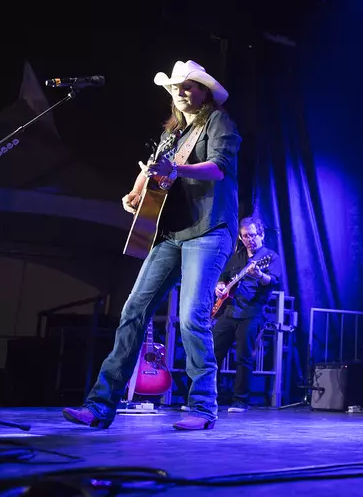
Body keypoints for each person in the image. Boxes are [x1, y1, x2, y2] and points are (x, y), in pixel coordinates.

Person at [63, 60, 241, 431]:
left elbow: (219, 167)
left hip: (209, 230)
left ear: (205, 92)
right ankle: (100, 406)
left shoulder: (218, 122)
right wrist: (135, 194)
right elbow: (152, 169)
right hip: (168, 234)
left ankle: (203, 408)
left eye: (189, 86)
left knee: (192, 317)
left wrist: (178, 171)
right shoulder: (172, 134)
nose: (181, 92)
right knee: (133, 312)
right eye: (176, 88)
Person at [211, 216, 282, 412]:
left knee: (243, 358)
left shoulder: (270, 257)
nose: (249, 239)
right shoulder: (237, 256)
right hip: (229, 310)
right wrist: (220, 287)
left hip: (252, 313)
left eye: (252, 235)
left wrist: (259, 275)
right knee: (212, 354)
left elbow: (273, 281)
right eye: (245, 236)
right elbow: (223, 277)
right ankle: (206, 399)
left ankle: (240, 401)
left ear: (261, 234)